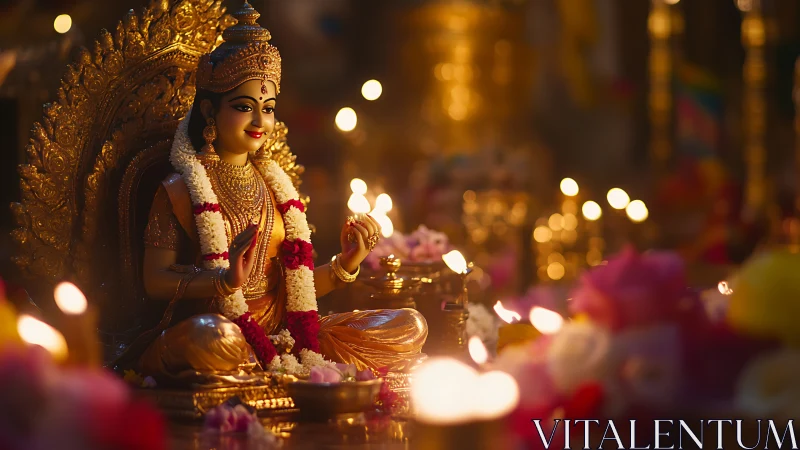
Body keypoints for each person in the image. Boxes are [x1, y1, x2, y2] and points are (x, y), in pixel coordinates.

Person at [121, 1, 426, 384]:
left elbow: (294, 288)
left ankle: (272, 369)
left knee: (406, 325)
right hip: (218, 327)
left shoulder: (275, 186)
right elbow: (155, 281)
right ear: (209, 111)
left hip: (284, 336)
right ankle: (255, 366)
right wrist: (221, 281)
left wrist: (346, 264)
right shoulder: (180, 189)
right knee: (217, 342)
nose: (260, 121)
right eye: (244, 107)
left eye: (268, 108)